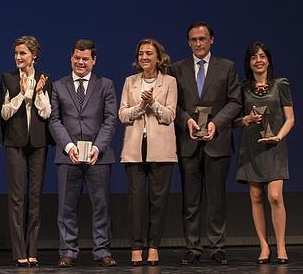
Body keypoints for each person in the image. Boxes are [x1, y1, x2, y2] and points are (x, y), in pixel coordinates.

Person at [169, 22, 241, 265]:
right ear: (188, 42)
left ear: (212, 40)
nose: (198, 43)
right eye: (193, 39)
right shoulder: (176, 68)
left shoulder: (227, 67)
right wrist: (186, 119)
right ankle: (192, 247)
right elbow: (172, 104)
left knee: (216, 199)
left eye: (202, 38)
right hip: (188, 143)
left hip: (217, 142)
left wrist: (216, 123)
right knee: (190, 201)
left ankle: (217, 246)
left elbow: (235, 102)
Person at [49, 39, 118, 268]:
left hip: (98, 155)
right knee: (66, 207)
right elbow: (54, 120)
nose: (80, 62)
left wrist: (98, 147)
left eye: (85, 59)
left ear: (94, 61)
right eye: (77, 58)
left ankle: (102, 251)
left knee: (102, 206)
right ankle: (68, 251)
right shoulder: (58, 86)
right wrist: (69, 147)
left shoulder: (106, 85)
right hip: (68, 155)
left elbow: (110, 120)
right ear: (71, 58)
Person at [0, 36, 52, 267]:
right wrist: (21, 94)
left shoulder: (44, 79)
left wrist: (36, 93)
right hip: (15, 143)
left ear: (34, 55)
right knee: (17, 198)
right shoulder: (8, 78)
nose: (18, 57)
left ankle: (32, 250)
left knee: (35, 197)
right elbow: (4, 113)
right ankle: (19, 252)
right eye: (16, 53)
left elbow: (46, 113)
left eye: (23, 53)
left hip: (37, 144)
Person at [118, 38, 177, 266]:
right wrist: (140, 107)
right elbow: (123, 115)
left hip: (161, 149)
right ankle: (136, 246)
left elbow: (169, 116)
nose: (144, 57)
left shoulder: (169, 82)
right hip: (134, 149)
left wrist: (151, 104)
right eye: (141, 53)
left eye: (149, 53)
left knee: (158, 201)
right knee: (136, 201)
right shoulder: (130, 82)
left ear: (158, 57)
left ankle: (153, 247)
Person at [235, 42, 294, 264]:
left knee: (275, 196)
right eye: (253, 57)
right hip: (251, 147)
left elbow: (291, 118)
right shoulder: (243, 88)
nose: (258, 60)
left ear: (268, 60)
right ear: (249, 63)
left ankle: (281, 246)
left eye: (262, 56)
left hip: (274, 145)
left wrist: (279, 136)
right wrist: (248, 119)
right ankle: (264, 246)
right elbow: (235, 121)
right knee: (256, 197)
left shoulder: (281, 85)